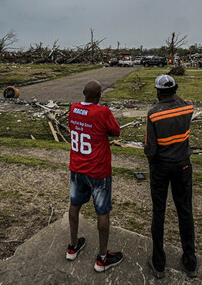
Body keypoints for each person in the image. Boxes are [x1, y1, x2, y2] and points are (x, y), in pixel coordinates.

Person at [66, 80, 124, 272]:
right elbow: (116, 131)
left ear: (83, 93)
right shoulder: (103, 112)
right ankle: (102, 257)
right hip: (98, 171)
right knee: (102, 212)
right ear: (99, 95)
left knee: (74, 206)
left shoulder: (73, 109)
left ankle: (73, 246)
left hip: (77, 168)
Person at [144, 74, 197, 279]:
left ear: (158, 93)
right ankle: (190, 262)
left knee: (159, 213)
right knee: (185, 211)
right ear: (175, 89)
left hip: (161, 168)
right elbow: (183, 101)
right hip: (183, 166)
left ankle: (158, 263)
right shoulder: (188, 108)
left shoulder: (153, 114)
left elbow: (150, 150)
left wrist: (153, 163)